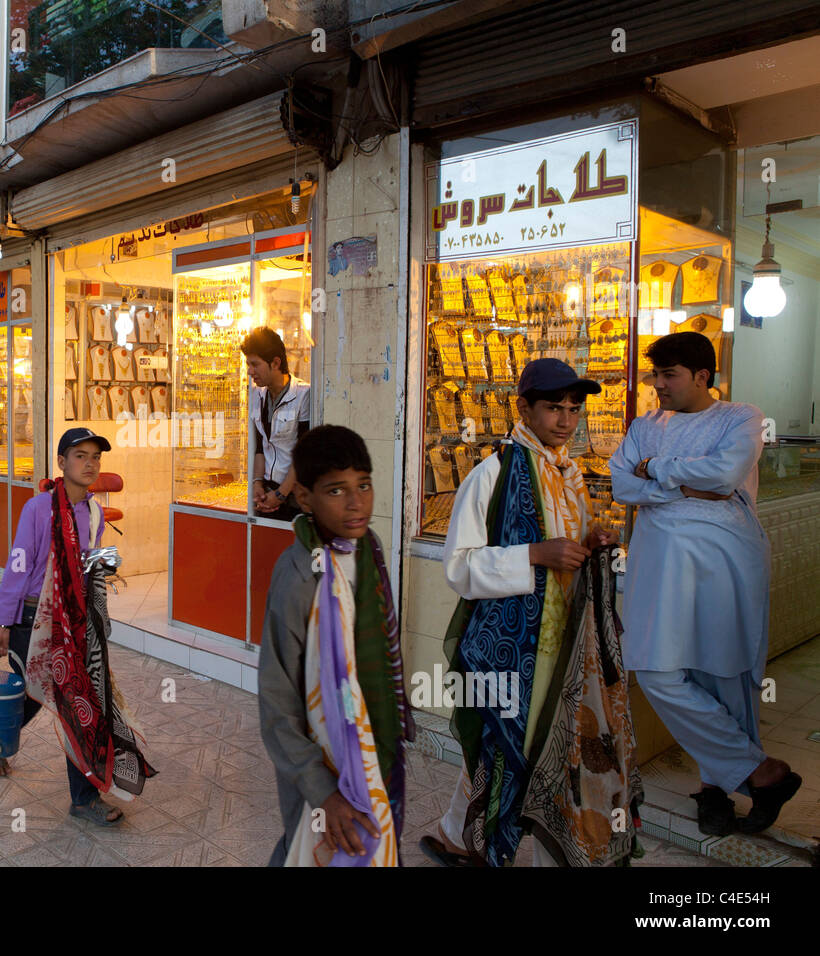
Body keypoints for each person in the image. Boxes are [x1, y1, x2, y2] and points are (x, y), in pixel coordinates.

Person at [423, 359, 639, 868]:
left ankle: (460, 834)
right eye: (553, 408)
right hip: (512, 647)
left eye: (573, 409)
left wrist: (593, 542)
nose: (565, 420)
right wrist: (534, 556)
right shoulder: (491, 473)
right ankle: (472, 839)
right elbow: (459, 566)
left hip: (561, 643)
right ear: (524, 408)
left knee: (532, 749)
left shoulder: (568, 475)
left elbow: (570, 545)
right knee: (510, 745)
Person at [610, 332, 799, 836]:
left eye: (667, 375)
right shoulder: (645, 424)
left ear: (702, 377)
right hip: (659, 562)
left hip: (725, 561)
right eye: (655, 375)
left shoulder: (742, 417)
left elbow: (724, 475)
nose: (657, 385)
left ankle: (715, 789)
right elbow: (621, 484)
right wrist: (687, 484)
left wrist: (657, 472)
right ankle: (761, 772)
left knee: (725, 675)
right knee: (655, 671)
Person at [0, 427, 155, 825]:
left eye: (96, 456)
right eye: (81, 455)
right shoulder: (38, 509)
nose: (90, 463)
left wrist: (103, 589)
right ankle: (4, 748)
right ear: (61, 462)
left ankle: (79, 795)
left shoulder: (93, 511)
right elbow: (19, 565)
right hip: (32, 617)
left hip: (72, 620)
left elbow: (91, 563)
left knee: (69, 703)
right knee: (42, 698)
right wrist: (4, 622)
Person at [258, 425, 412, 866]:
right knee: (307, 846)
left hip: (376, 737)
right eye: (336, 491)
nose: (356, 502)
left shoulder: (370, 548)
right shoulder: (298, 575)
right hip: (321, 758)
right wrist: (320, 787)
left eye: (363, 485)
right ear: (304, 499)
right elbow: (277, 696)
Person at [243, 327, 310, 522]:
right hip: (267, 496)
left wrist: (281, 495)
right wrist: (257, 484)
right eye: (248, 364)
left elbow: (303, 455)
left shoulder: (303, 395)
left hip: (294, 500)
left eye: (255, 364)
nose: (250, 371)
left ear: (275, 363)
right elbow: (260, 448)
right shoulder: (257, 395)